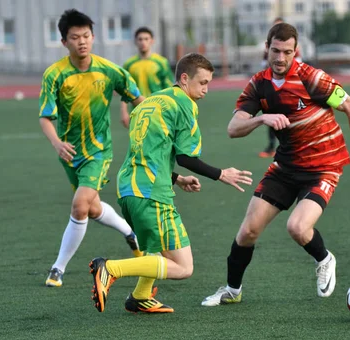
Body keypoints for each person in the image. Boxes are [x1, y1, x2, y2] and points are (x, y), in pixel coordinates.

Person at [202, 23, 350, 306]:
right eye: (275, 51)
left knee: (297, 227)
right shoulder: (259, 83)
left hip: (323, 166)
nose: (280, 58)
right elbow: (233, 128)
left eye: (287, 52)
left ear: (296, 51)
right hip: (285, 168)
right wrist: (261, 118)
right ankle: (232, 290)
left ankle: (324, 258)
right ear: (266, 48)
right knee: (248, 231)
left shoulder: (312, 79)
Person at [87, 53, 253, 314]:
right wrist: (221, 174)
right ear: (184, 79)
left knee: (157, 250)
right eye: (203, 83)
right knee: (183, 267)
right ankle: (110, 268)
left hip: (128, 188)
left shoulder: (148, 102)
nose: (206, 90)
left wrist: (176, 178)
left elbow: (150, 151)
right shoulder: (185, 105)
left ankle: (140, 297)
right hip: (151, 192)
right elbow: (186, 157)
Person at [38, 9, 146, 287]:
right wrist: (57, 143)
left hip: (99, 152)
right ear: (64, 42)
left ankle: (57, 269)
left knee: (79, 205)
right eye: (75, 37)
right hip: (69, 154)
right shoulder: (55, 74)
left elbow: (138, 99)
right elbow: (45, 117)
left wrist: (153, 124)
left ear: (93, 37)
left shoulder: (109, 70)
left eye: (86, 35)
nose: (82, 41)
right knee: (93, 208)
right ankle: (130, 232)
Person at [258, 17, 302, 158]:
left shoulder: (292, 47)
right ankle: (271, 147)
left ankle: (296, 147)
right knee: (271, 117)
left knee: (294, 117)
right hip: (272, 87)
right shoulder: (270, 48)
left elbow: (298, 63)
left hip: (291, 88)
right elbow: (263, 64)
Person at [119, 27, 175, 128]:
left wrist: (170, 111)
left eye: (146, 39)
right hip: (137, 112)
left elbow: (169, 89)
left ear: (152, 41)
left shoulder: (161, 62)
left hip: (159, 112)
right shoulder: (129, 64)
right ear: (135, 42)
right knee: (138, 143)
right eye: (140, 39)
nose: (143, 42)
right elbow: (125, 89)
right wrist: (124, 112)